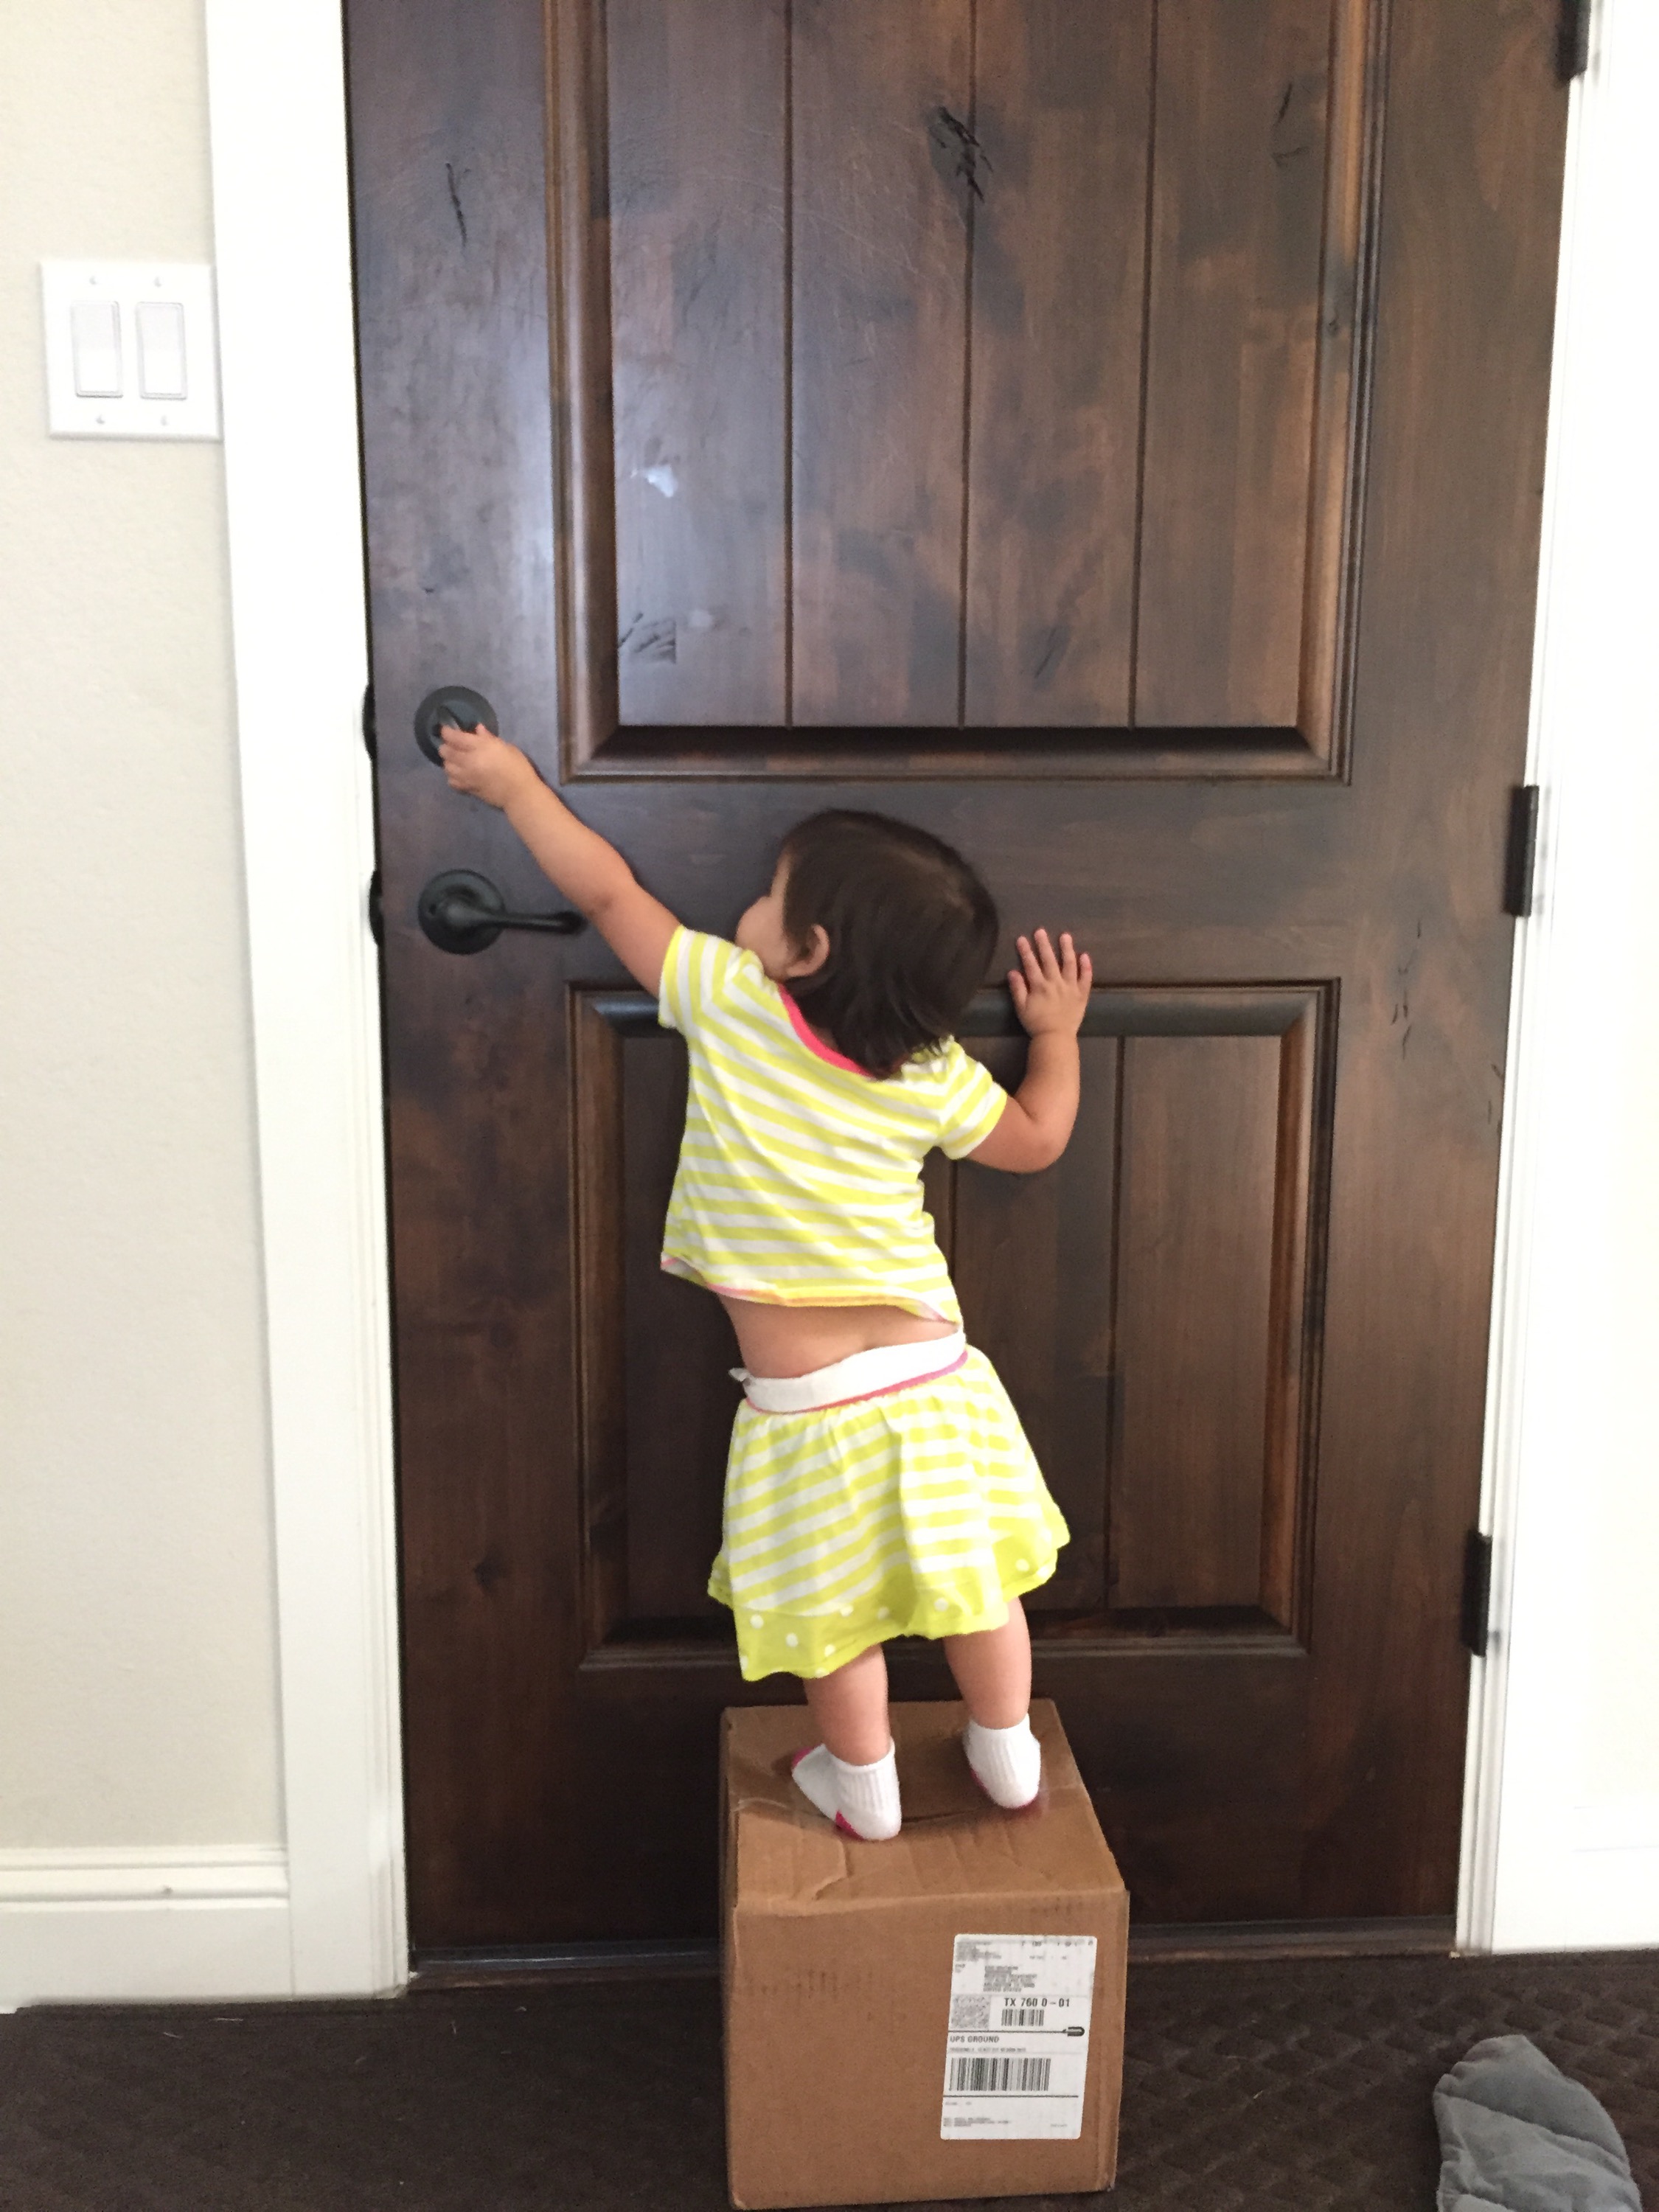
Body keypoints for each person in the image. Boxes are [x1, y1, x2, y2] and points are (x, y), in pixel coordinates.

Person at [439, 720, 1091, 1842]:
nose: (750, 903)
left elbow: (607, 891)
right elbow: (1035, 1140)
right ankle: (1007, 1750)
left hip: (809, 1409)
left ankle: (864, 1785)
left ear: (807, 951)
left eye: (771, 893)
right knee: (976, 1582)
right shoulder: (928, 1070)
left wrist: (515, 789)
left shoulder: (730, 999)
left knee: (833, 1611)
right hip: (936, 1378)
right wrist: (1058, 1034)